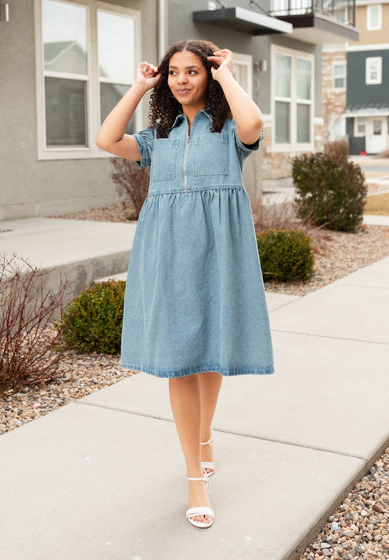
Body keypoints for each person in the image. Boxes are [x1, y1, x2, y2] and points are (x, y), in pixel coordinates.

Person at [96, 39, 274, 529]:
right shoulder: (160, 134)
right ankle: (195, 476)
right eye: (173, 72)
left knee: (211, 349)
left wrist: (228, 74)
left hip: (221, 250)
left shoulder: (230, 128)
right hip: (168, 250)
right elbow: (107, 139)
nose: (180, 79)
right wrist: (138, 86)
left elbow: (256, 124)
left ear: (208, 75)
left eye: (192, 71)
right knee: (179, 359)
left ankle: (204, 434)